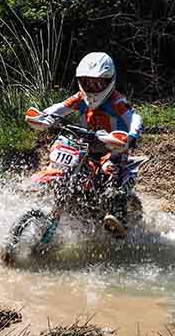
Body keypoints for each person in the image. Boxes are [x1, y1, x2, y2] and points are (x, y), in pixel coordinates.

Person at [25, 52, 143, 238]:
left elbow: (134, 117)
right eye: (87, 82)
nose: (92, 87)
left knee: (109, 169)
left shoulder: (116, 101)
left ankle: (119, 217)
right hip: (86, 144)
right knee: (64, 160)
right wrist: (43, 117)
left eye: (97, 83)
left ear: (109, 81)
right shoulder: (81, 97)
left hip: (114, 146)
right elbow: (60, 107)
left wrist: (131, 135)